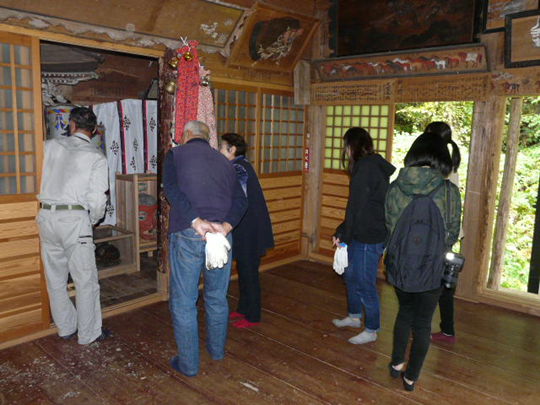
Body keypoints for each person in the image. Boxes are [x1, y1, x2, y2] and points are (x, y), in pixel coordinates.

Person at [163, 120, 248, 377]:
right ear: (208, 137)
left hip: (189, 233)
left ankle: (188, 364)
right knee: (216, 297)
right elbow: (242, 200)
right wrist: (226, 226)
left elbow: (172, 190)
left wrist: (195, 220)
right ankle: (217, 351)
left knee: (184, 302)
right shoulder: (225, 161)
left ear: (187, 134)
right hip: (222, 238)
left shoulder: (175, 154)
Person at [385, 134, 461, 391]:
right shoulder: (449, 191)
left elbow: (390, 226)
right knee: (423, 323)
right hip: (433, 269)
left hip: (399, 266)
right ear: (442, 158)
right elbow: (452, 233)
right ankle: (411, 377)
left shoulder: (395, 186)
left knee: (404, 313)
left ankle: (396, 363)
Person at [37, 107, 111, 345]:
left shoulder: (49, 146)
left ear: (71, 125)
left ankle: (66, 327)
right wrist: (90, 220)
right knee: (85, 280)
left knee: (55, 278)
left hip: (46, 216)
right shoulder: (96, 157)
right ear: (94, 130)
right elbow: (98, 200)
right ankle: (88, 333)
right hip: (73, 219)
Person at [332, 127, 396, 344]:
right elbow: (357, 207)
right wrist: (344, 231)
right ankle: (354, 316)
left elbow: (356, 207)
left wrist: (343, 235)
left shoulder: (365, 167)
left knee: (365, 283)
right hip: (364, 229)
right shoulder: (371, 164)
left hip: (370, 235)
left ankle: (371, 329)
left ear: (351, 146)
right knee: (350, 276)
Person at [219, 133, 274, 329]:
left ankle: (253, 315)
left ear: (232, 149)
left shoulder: (239, 168)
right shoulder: (240, 165)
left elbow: (239, 201)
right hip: (245, 227)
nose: (219, 149)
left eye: (222, 146)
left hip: (250, 229)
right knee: (243, 269)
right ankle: (243, 308)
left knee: (249, 272)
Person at [422, 122, 462, 344]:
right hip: (447, 230)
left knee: (436, 283)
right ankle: (447, 329)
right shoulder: (448, 156)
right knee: (445, 284)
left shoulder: (438, 159)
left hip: (441, 230)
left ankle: (425, 328)